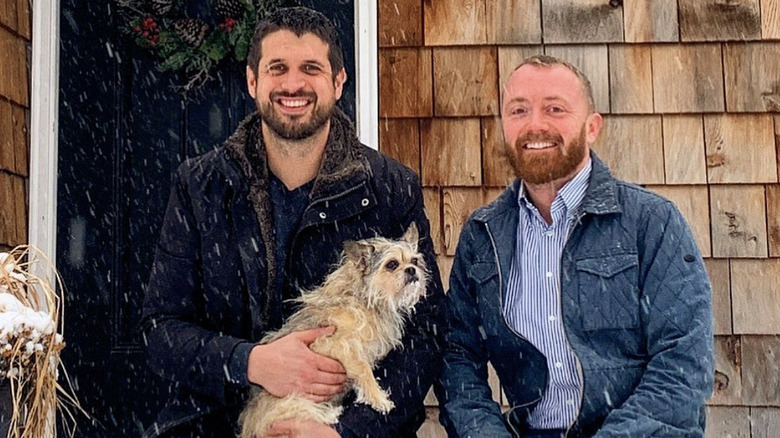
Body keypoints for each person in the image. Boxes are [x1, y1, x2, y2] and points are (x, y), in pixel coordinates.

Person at [141, 7, 444, 438]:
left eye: (311, 69)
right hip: (215, 426)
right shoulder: (200, 186)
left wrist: (350, 431)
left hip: (344, 426)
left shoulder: (391, 187)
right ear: (252, 81)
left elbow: (427, 335)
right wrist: (250, 362)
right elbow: (161, 331)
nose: (293, 84)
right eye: (277, 68)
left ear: (338, 82)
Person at [437, 55, 714, 437]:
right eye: (519, 110)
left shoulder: (650, 222)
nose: (535, 125)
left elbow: (683, 364)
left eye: (555, 108)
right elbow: (458, 357)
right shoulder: (484, 236)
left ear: (592, 126)